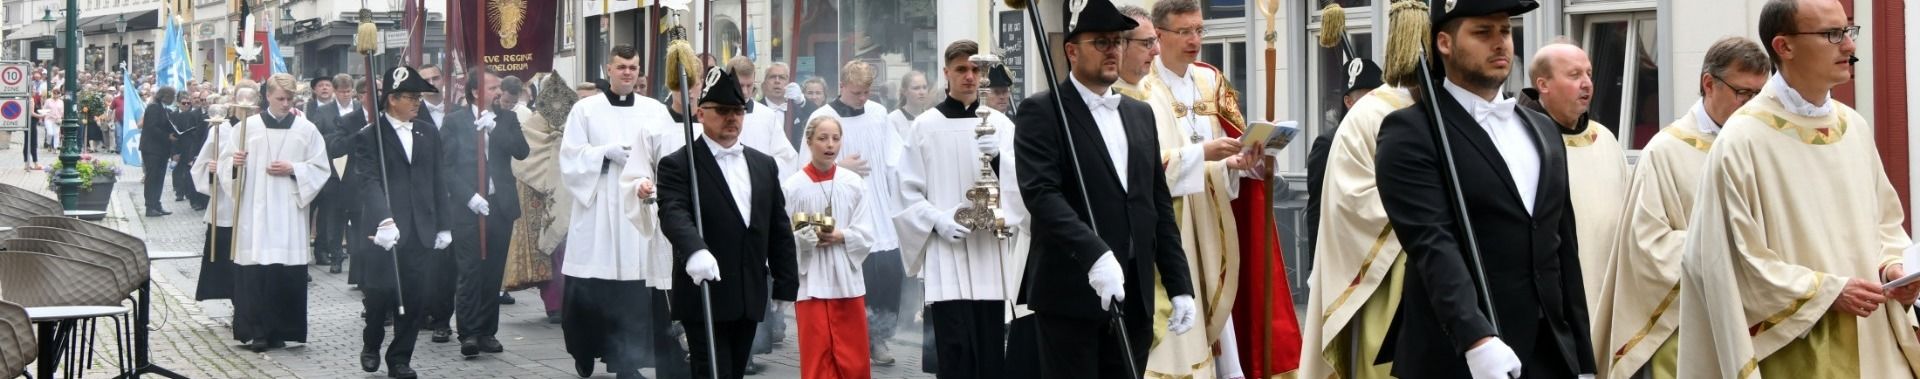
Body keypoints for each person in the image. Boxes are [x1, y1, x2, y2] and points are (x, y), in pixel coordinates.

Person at [1678, 0, 1920, 376]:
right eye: (1831, 34)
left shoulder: (1852, 127)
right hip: (1793, 348)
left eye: (1848, 31)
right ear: (1784, 47)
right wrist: (1827, 291)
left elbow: (1884, 224)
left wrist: (1893, 269)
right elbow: (1729, 264)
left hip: (1873, 343)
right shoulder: (1743, 139)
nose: (1849, 46)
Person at [1373, 0, 1596, 377]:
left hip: (1549, 354)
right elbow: (1432, 243)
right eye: (1482, 32)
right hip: (1459, 355)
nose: (1500, 43)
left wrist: (1583, 360)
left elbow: (1563, 250)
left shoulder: (1542, 130)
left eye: (1505, 31)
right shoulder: (1411, 132)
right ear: (1444, 43)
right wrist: (1477, 340)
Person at [1013, 0, 1195, 376]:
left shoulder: (1139, 114)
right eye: (1101, 42)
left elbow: (1156, 205)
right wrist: (1095, 255)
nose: (1113, 50)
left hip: (1135, 293)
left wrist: (1179, 283)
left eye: (1117, 41)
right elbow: (1042, 195)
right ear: (1071, 51)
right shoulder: (1043, 112)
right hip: (1071, 292)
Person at [1592, 36, 1768, 379]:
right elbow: (1647, 246)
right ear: (1708, 84)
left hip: (1753, 317)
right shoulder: (1665, 151)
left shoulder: (1762, 145)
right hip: (1684, 321)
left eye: (1760, 95)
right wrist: (1726, 250)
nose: (1752, 106)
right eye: (1744, 93)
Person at [1297, 2, 1420, 378]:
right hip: (1380, 262)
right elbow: (1330, 205)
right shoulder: (1344, 132)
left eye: (1370, 88)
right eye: (1357, 92)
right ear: (1347, 99)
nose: (1363, 97)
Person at [658, 66, 800, 379]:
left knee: (734, 371)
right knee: (711, 372)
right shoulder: (680, 164)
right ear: (700, 113)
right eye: (721, 111)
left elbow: (777, 227)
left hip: (748, 292)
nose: (732, 118)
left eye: (738, 111)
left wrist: (786, 283)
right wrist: (694, 250)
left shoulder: (763, 165)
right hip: (705, 289)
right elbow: (672, 212)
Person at [900, 39, 1029, 379]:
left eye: (975, 69)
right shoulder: (925, 126)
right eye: (961, 69)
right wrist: (937, 220)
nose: (969, 77)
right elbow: (907, 191)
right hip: (948, 250)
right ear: (946, 73)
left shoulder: (1000, 126)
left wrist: (1000, 157)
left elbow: (1024, 185)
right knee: (954, 347)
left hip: (989, 252)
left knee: (989, 349)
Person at [561, 45, 686, 379]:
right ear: (608, 69)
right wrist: (604, 154)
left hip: (638, 206)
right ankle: (584, 351)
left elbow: (668, 152)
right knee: (593, 286)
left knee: (634, 292)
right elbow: (570, 157)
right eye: (621, 67)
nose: (628, 73)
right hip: (599, 205)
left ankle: (625, 362)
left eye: (633, 67)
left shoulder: (654, 110)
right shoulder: (585, 109)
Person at [805, 59, 908, 367]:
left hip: (878, 205)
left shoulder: (879, 114)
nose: (863, 99)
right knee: (847, 278)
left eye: (867, 92)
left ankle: (879, 337)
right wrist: (837, 166)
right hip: (842, 209)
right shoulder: (823, 117)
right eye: (857, 93)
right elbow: (803, 165)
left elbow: (896, 158)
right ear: (842, 86)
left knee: (886, 274)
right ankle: (847, 340)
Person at [353, 65, 452, 379]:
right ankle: (372, 344)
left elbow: (438, 179)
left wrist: (444, 224)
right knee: (379, 295)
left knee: (414, 298)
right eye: (410, 97)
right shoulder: (370, 136)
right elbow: (369, 182)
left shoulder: (426, 131)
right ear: (392, 99)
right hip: (386, 230)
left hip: (421, 228)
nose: (417, 103)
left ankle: (399, 359)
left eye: (418, 97)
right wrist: (384, 220)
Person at [222, 73, 329, 353]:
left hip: (288, 210)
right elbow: (225, 166)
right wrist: (235, 164)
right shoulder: (247, 128)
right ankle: (256, 332)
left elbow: (320, 167)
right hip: (254, 211)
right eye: (280, 98)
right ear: (267, 96)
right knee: (257, 271)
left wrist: (294, 169)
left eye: (290, 98)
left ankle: (281, 330)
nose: (285, 103)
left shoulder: (306, 129)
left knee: (284, 272)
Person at [1517, 42, 1625, 308]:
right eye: (1575, 75)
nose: (1587, 83)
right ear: (1543, 85)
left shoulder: (1605, 139)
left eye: (1589, 74)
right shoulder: (1519, 140)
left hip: (1605, 287)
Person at [439, 66, 530, 357]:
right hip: (468, 207)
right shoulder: (453, 122)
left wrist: (497, 130)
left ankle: (488, 331)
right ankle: (469, 332)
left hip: (499, 205)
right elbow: (446, 167)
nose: (498, 93)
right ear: (476, 91)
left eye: (499, 87)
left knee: (492, 272)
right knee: (470, 271)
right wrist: (468, 196)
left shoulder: (507, 118)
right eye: (492, 88)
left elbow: (521, 151)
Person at [785, 117, 876, 378]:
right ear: (809, 141)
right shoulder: (793, 187)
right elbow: (782, 238)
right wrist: (807, 239)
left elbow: (867, 231)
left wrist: (842, 235)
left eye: (836, 138)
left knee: (854, 358)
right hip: (810, 281)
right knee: (817, 357)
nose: (830, 144)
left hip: (846, 280)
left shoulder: (853, 183)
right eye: (823, 138)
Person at [511, 74, 580, 325]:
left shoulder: (575, 125)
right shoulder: (533, 126)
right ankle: (554, 304)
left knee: (566, 251)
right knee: (550, 251)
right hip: (540, 199)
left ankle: (566, 303)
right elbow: (524, 159)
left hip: (570, 195)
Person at [190, 100, 241, 303]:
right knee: (224, 255)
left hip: (251, 205)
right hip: (225, 205)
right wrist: (213, 170)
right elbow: (201, 166)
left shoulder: (259, 128)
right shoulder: (221, 130)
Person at [140, 86, 180, 216]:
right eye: (172, 97)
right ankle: (150, 207)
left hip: (161, 150)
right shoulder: (154, 107)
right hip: (152, 149)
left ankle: (156, 204)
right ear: (165, 96)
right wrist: (167, 136)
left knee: (159, 178)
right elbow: (151, 128)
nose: (173, 99)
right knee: (152, 178)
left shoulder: (163, 108)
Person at [759, 63, 803, 149]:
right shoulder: (756, 109)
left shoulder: (798, 110)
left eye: (782, 77)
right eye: (772, 77)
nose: (777, 81)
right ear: (764, 84)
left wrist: (802, 101)